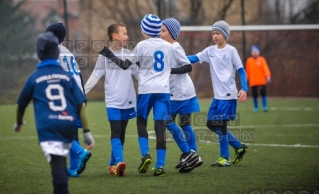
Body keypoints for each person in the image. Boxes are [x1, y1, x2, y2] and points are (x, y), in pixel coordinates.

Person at [100, 14, 199, 176]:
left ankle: (145, 154)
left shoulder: (141, 46)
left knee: (141, 123)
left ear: (145, 31)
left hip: (146, 91)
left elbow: (125, 65)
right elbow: (183, 64)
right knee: (160, 127)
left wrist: (109, 54)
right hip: (163, 91)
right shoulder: (169, 46)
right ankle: (160, 166)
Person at [14, 31, 95, 194]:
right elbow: (81, 104)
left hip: (48, 126)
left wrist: (19, 122)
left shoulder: (35, 77)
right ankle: (73, 168)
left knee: (57, 167)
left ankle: (78, 155)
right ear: (57, 51)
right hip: (68, 115)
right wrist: (87, 132)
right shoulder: (66, 75)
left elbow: (21, 104)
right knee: (69, 140)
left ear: (38, 53)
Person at [187, 20, 248, 167]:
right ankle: (238, 146)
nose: (215, 36)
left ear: (225, 35)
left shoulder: (231, 51)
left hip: (228, 95)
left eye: (218, 33)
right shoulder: (210, 51)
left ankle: (225, 158)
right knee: (210, 123)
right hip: (217, 97)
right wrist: (177, 59)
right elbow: (195, 58)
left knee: (220, 125)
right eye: (213, 33)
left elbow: (241, 69)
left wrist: (244, 88)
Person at [84, 23, 137, 176]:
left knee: (122, 134)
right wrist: (82, 93)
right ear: (115, 36)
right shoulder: (104, 56)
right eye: (124, 33)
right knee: (116, 131)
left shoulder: (129, 54)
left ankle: (112, 164)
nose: (127, 37)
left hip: (128, 101)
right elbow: (95, 76)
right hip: (113, 101)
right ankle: (120, 161)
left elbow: (139, 75)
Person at [46, 23, 92, 177]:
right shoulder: (68, 53)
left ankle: (81, 152)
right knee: (72, 133)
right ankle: (73, 169)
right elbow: (79, 75)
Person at [160, 18, 203, 173]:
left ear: (172, 33)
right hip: (176, 93)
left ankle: (191, 154)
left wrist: (171, 70)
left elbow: (187, 66)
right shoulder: (165, 47)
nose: (160, 33)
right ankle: (193, 156)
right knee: (183, 124)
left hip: (181, 94)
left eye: (163, 31)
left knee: (168, 121)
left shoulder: (175, 47)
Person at [245, 45, 271, 112]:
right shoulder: (249, 61)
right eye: (253, 52)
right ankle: (256, 107)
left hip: (261, 81)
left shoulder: (262, 60)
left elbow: (265, 68)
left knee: (263, 94)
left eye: (256, 51)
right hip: (253, 81)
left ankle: (264, 106)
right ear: (251, 53)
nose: (255, 53)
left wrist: (267, 76)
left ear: (258, 52)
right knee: (254, 95)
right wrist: (246, 78)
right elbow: (247, 70)